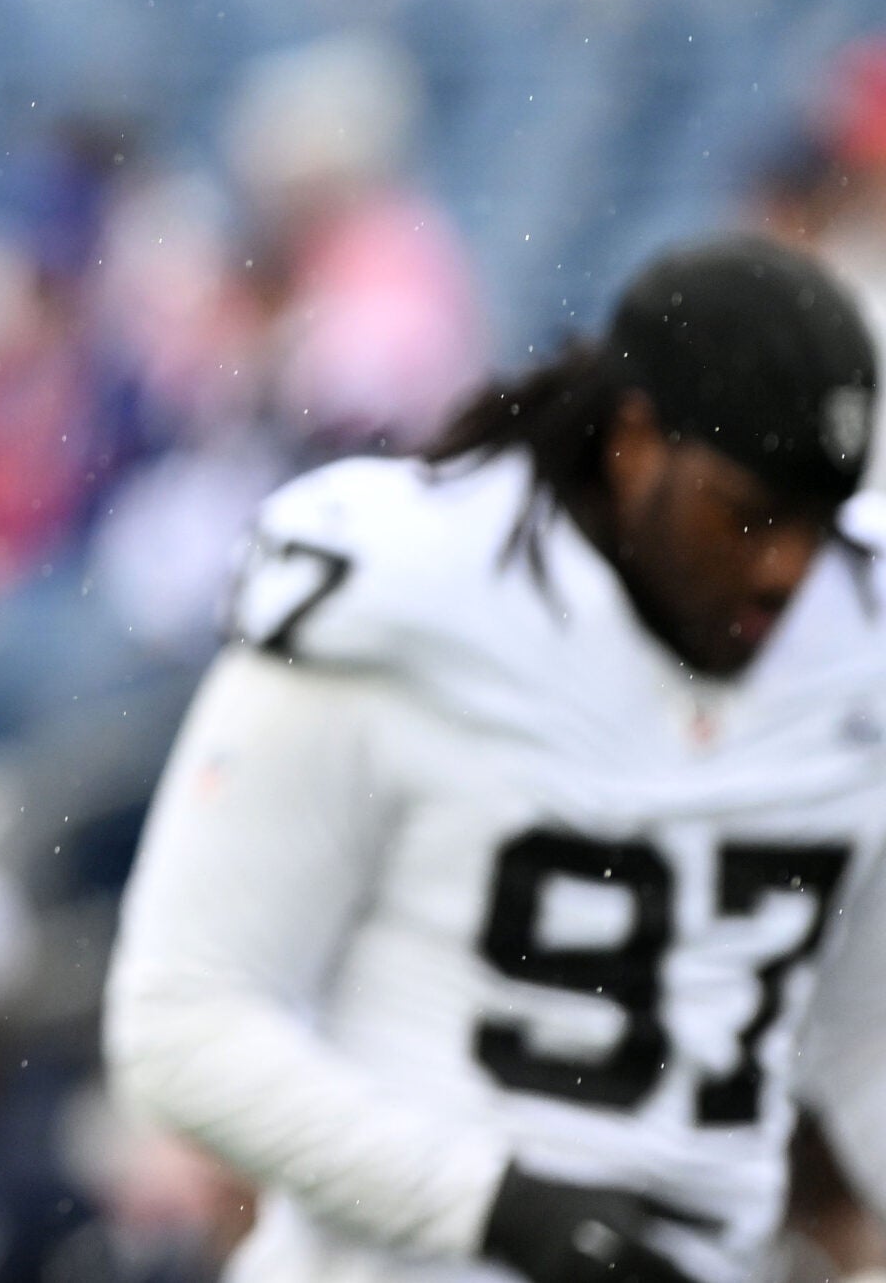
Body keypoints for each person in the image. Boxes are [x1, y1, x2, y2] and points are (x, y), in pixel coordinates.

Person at [106, 235, 886, 1283]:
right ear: (634, 443)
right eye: (746, 515)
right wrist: (491, 1205)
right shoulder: (411, 595)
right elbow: (180, 1020)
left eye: (814, 524)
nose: (785, 570)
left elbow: (863, 1038)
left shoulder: (855, 648)